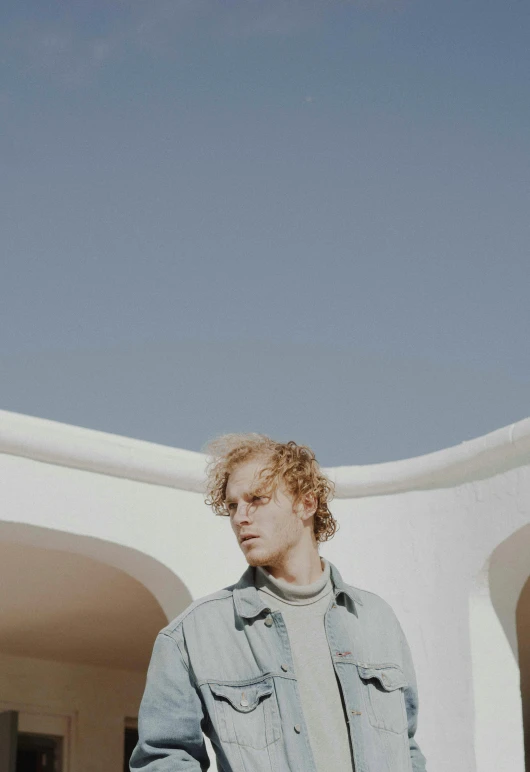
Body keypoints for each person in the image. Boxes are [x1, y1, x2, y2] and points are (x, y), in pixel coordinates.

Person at [130, 434, 427, 772]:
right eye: (232, 506)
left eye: (257, 499)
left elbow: (406, 746)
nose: (240, 517)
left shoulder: (376, 619)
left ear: (307, 504)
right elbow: (163, 759)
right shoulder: (189, 636)